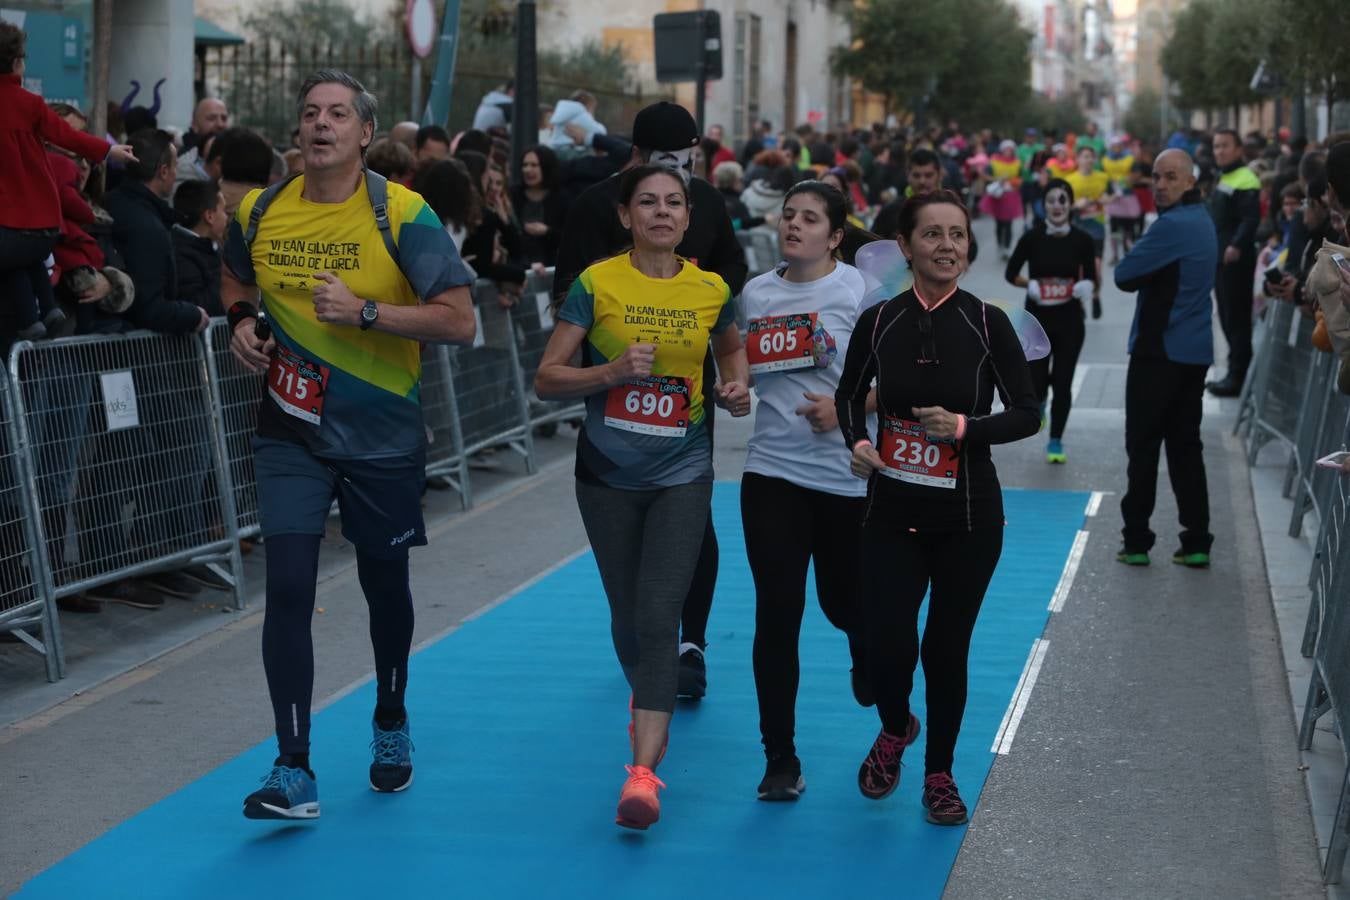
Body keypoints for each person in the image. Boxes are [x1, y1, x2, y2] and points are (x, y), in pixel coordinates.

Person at [221, 70, 476, 820]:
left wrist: (366, 312)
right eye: (309, 113)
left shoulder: (405, 213)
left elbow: (458, 320)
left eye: (337, 114)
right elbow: (234, 277)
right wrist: (240, 322)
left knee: (383, 584)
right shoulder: (263, 209)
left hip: (379, 435)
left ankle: (390, 720)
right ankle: (293, 766)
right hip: (290, 433)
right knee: (290, 589)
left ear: (366, 133)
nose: (321, 125)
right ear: (297, 132)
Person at [534, 164, 750, 830]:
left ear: (688, 218)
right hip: (605, 475)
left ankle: (643, 776)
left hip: (683, 472)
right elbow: (546, 378)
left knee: (660, 620)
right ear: (626, 216)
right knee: (629, 619)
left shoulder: (712, 289)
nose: (662, 212)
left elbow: (732, 355)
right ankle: (646, 698)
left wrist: (735, 388)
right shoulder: (596, 284)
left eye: (674, 203)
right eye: (648, 203)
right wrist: (610, 371)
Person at [835, 190, 1038, 825]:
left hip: (970, 517)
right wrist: (860, 443)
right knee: (889, 644)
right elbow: (847, 397)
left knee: (946, 649)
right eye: (933, 235)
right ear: (906, 245)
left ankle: (940, 773)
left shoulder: (987, 321)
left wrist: (964, 428)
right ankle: (896, 725)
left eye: (958, 235)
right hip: (891, 508)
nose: (947, 246)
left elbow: (1028, 414)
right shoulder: (880, 320)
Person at [554, 100, 748, 701]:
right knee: (630, 598)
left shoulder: (708, 206)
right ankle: (647, 650)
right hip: (611, 412)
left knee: (691, 531)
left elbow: (730, 284)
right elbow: (567, 298)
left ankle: (689, 644)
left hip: (688, 403)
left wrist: (720, 354)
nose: (665, 206)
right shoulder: (592, 212)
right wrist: (608, 355)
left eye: (684, 164)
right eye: (660, 170)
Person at [739, 181, 872, 802]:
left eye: (810, 219)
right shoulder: (757, 294)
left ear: (836, 236)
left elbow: (896, 380)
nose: (795, 226)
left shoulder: (861, 293)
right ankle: (780, 758)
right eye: (789, 216)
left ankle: (867, 657)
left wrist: (847, 409)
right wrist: (734, 390)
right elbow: (740, 369)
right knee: (777, 612)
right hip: (772, 473)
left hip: (844, 478)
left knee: (844, 604)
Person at [0, 22, 136, 349]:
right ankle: (45, 311)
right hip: (40, 218)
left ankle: (34, 317)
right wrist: (107, 149)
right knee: (23, 257)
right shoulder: (30, 104)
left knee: (10, 259)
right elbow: (67, 136)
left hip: (7, 216)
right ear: (18, 61)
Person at [1112, 149, 1216, 568]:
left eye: (1171, 177)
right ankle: (1196, 541)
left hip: (1159, 353)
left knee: (1143, 446)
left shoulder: (1171, 226)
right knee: (1186, 447)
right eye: (1156, 176)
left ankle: (1136, 540)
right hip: (1194, 353)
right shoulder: (1204, 221)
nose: (1160, 185)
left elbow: (1123, 276)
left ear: (1190, 182)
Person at [1005, 178, 1098, 463]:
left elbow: (1092, 277)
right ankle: (1040, 403)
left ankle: (1056, 440)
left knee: (1063, 381)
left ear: (1070, 205)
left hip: (1070, 320)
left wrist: (1087, 287)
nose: (1057, 206)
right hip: (1037, 321)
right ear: (1043, 206)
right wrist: (1029, 284)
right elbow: (1011, 273)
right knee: (1037, 382)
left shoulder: (1083, 239)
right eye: (1051, 201)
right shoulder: (1031, 238)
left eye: (1062, 200)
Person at [1205, 128, 1261, 397]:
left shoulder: (1246, 178)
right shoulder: (1223, 176)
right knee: (1226, 316)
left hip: (1235, 259)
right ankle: (1232, 374)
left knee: (1236, 318)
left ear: (1239, 149)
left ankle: (1237, 377)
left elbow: (1250, 219)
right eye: (1216, 146)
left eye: (1225, 145)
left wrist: (1236, 245)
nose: (1219, 151)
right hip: (1220, 258)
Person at [1063, 145, 1111, 318]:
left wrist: (1107, 199)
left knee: (1096, 268)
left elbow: (1114, 194)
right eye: (1084, 156)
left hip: (1097, 229)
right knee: (1079, 270)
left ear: (1095, 159)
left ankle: (1096, 296)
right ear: (1078, 159)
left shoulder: (1103, 177)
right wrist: (1077, 205)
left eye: (1091, 156)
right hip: (1077, 229)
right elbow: (1063, 205)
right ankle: (1080, 302)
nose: (1088, 160)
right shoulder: (1070, 180)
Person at [171, 179, 228, 317]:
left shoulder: (212, 246)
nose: (227, 217)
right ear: (209, 216)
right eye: (223, 210)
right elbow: (200, 306)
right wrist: (228, 273)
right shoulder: (180, 254)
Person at [512, 144, 565, 269]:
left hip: (551, 266)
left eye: (534, 165)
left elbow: (570, 236)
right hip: (520, 265)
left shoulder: (561, 198)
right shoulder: (514, 195)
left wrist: (547, 231)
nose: (527, 170)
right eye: (525, 165)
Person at [981, 140, 1023, 260]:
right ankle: (1000, 245)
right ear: (1002, 150)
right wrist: (996, 179)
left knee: (1008, 223)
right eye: (1006, 149)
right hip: (998, 195)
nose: (1008, 151)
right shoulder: (994, 161)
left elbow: (1020, 178)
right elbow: (984, 174)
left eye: (1010, 149)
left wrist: (1016, 183)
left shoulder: (1017, 162)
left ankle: (1007, 248)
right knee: (999, 223)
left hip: (1011, 195)